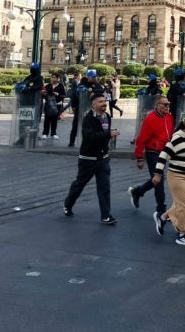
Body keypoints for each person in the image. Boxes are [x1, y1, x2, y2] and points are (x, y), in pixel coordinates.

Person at [63, 93, 120, 224]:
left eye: (105, 101)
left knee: (104, 187)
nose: (104, 103)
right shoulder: (88, 119)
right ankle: (68, 204)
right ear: (93, 105)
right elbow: (90, 136)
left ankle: (106, 215)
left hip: (103, 158)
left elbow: (104, 134)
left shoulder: (107, 117)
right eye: (100, 101)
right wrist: (108, 134)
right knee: (79, 184)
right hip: (88, 159)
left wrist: (109, 135)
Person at [151, 112, 185, 246]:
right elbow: (163, 155)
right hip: (176, 176)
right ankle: (182, 234)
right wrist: (157, 174)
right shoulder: (177, 138)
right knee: (184, 205)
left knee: (181, 204)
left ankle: (162, 217)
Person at [129, 94, 174, 215]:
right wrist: (139, 158)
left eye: (168, 104)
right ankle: (161, 209)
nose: (167, 106)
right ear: (157, 105)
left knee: (156, 179)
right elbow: (141, 139)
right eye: (165, 104)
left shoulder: (169, 117)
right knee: (158, 180)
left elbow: (170, 135)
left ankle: (138, 192)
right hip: (152, 152)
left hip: (163, 152)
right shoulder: (150, 119)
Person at [68, 69, 105, 147]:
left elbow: (101, 90)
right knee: (76, 125)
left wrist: (93, 91)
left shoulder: (96, 84)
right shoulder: (82, 84)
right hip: (80, 108)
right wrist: (74, 106)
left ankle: (90, 140)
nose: (94, 78)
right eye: (93, 77)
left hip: (92, 109)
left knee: (91, 125)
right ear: (88, 77)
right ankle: (72, 141)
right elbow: (75, 96)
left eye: (95, 77)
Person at [41, 73, 66, 139]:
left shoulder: (61, 86)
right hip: (48, 104)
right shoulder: (48, 86)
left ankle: (53, 133)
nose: (52, 79)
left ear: (57, 78)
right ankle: (45, 133)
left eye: (54, 77)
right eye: (52, 77)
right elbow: (43, 96)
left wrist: (57, 94)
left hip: (57, 104)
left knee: (54, 119)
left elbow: (64, 95)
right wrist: (43, 93)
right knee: (47, 119)